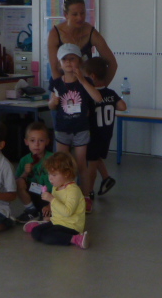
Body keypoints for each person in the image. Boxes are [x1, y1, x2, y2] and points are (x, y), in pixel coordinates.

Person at [49, 43, 103, 211]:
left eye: (72, 59)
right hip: (62, 129)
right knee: (61, 164)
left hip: (81, 129)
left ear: (79, 61)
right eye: (64, 59)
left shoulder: (85, 81)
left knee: (81, 164)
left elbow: (98, 98)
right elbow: (51, 105)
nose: (68, 62)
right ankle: (62, 196)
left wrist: (82, 80)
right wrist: (53, 102)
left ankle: (85, 196)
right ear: (60, 63)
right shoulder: (56, 83)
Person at [47, 0, 118, 86]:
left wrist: (102, 87)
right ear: (66, 15)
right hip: (63, 84)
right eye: (75, 14)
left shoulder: (91, 33)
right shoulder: (55, 34)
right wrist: (62, 91)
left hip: (86, 86)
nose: (80, 18)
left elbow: (113, 63)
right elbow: (54, 69)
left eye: (82, 13)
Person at [22, 151, 88, 249]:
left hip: (71, 226)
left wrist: (52, 200)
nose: (50, 178)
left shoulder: (73, 190)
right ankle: (43, 224)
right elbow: (56, 204)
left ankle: (76, 238)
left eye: (54, 175)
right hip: (57, 221)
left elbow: (67, 212)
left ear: (66, 174)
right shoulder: (56, 187)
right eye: (49, 174)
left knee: (47, 237)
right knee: (35, 232)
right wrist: (49, 206)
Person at [83, 57, 127, 199]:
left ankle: (89, 191)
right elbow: (122, 106)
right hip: (106, 133)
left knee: (91, 164)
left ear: (92, 77)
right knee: (96, 158)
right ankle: (106, 178)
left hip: (93, 134)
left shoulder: (91, 95)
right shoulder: (111, 93)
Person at [13, 121, 54, 223]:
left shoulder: (53, 158)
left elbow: (61, 184)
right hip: (33, 194)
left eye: (41, 140)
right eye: (32, 140)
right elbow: (17, 182)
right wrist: (26, 173)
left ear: (47, 141)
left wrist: (51, 204)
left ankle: (45, 214)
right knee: (19, 182)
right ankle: (31, 210)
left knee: (47, 220)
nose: (37, 144)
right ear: (26, 142)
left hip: (51, 196)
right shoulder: (24, 160)